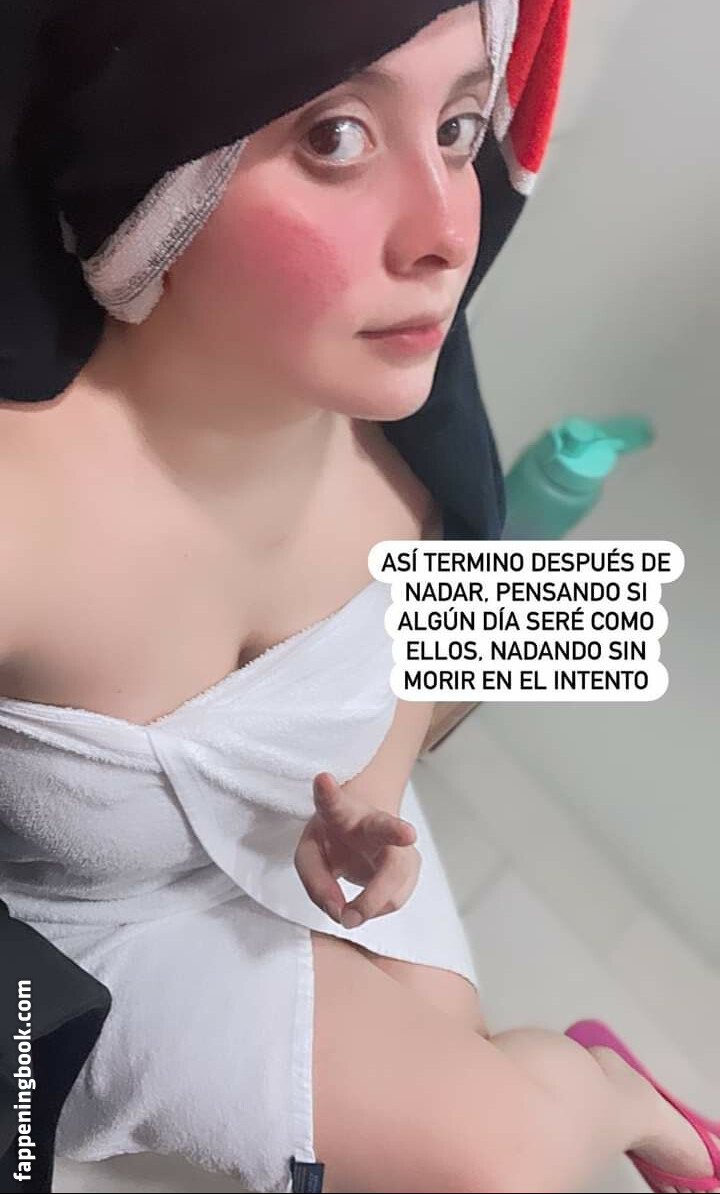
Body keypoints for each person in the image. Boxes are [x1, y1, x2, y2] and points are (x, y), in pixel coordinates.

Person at [0, 3, 717, 1193]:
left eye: (458, 127)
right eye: (334, 136)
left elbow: (444, 646)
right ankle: (613, 1091)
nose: (446, 232)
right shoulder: (24, 520)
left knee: (449, 1070)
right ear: (158, 178)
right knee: (498, 1159)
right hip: (98, 936)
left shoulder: (416, 450)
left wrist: (374, 793)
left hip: (319, 852)